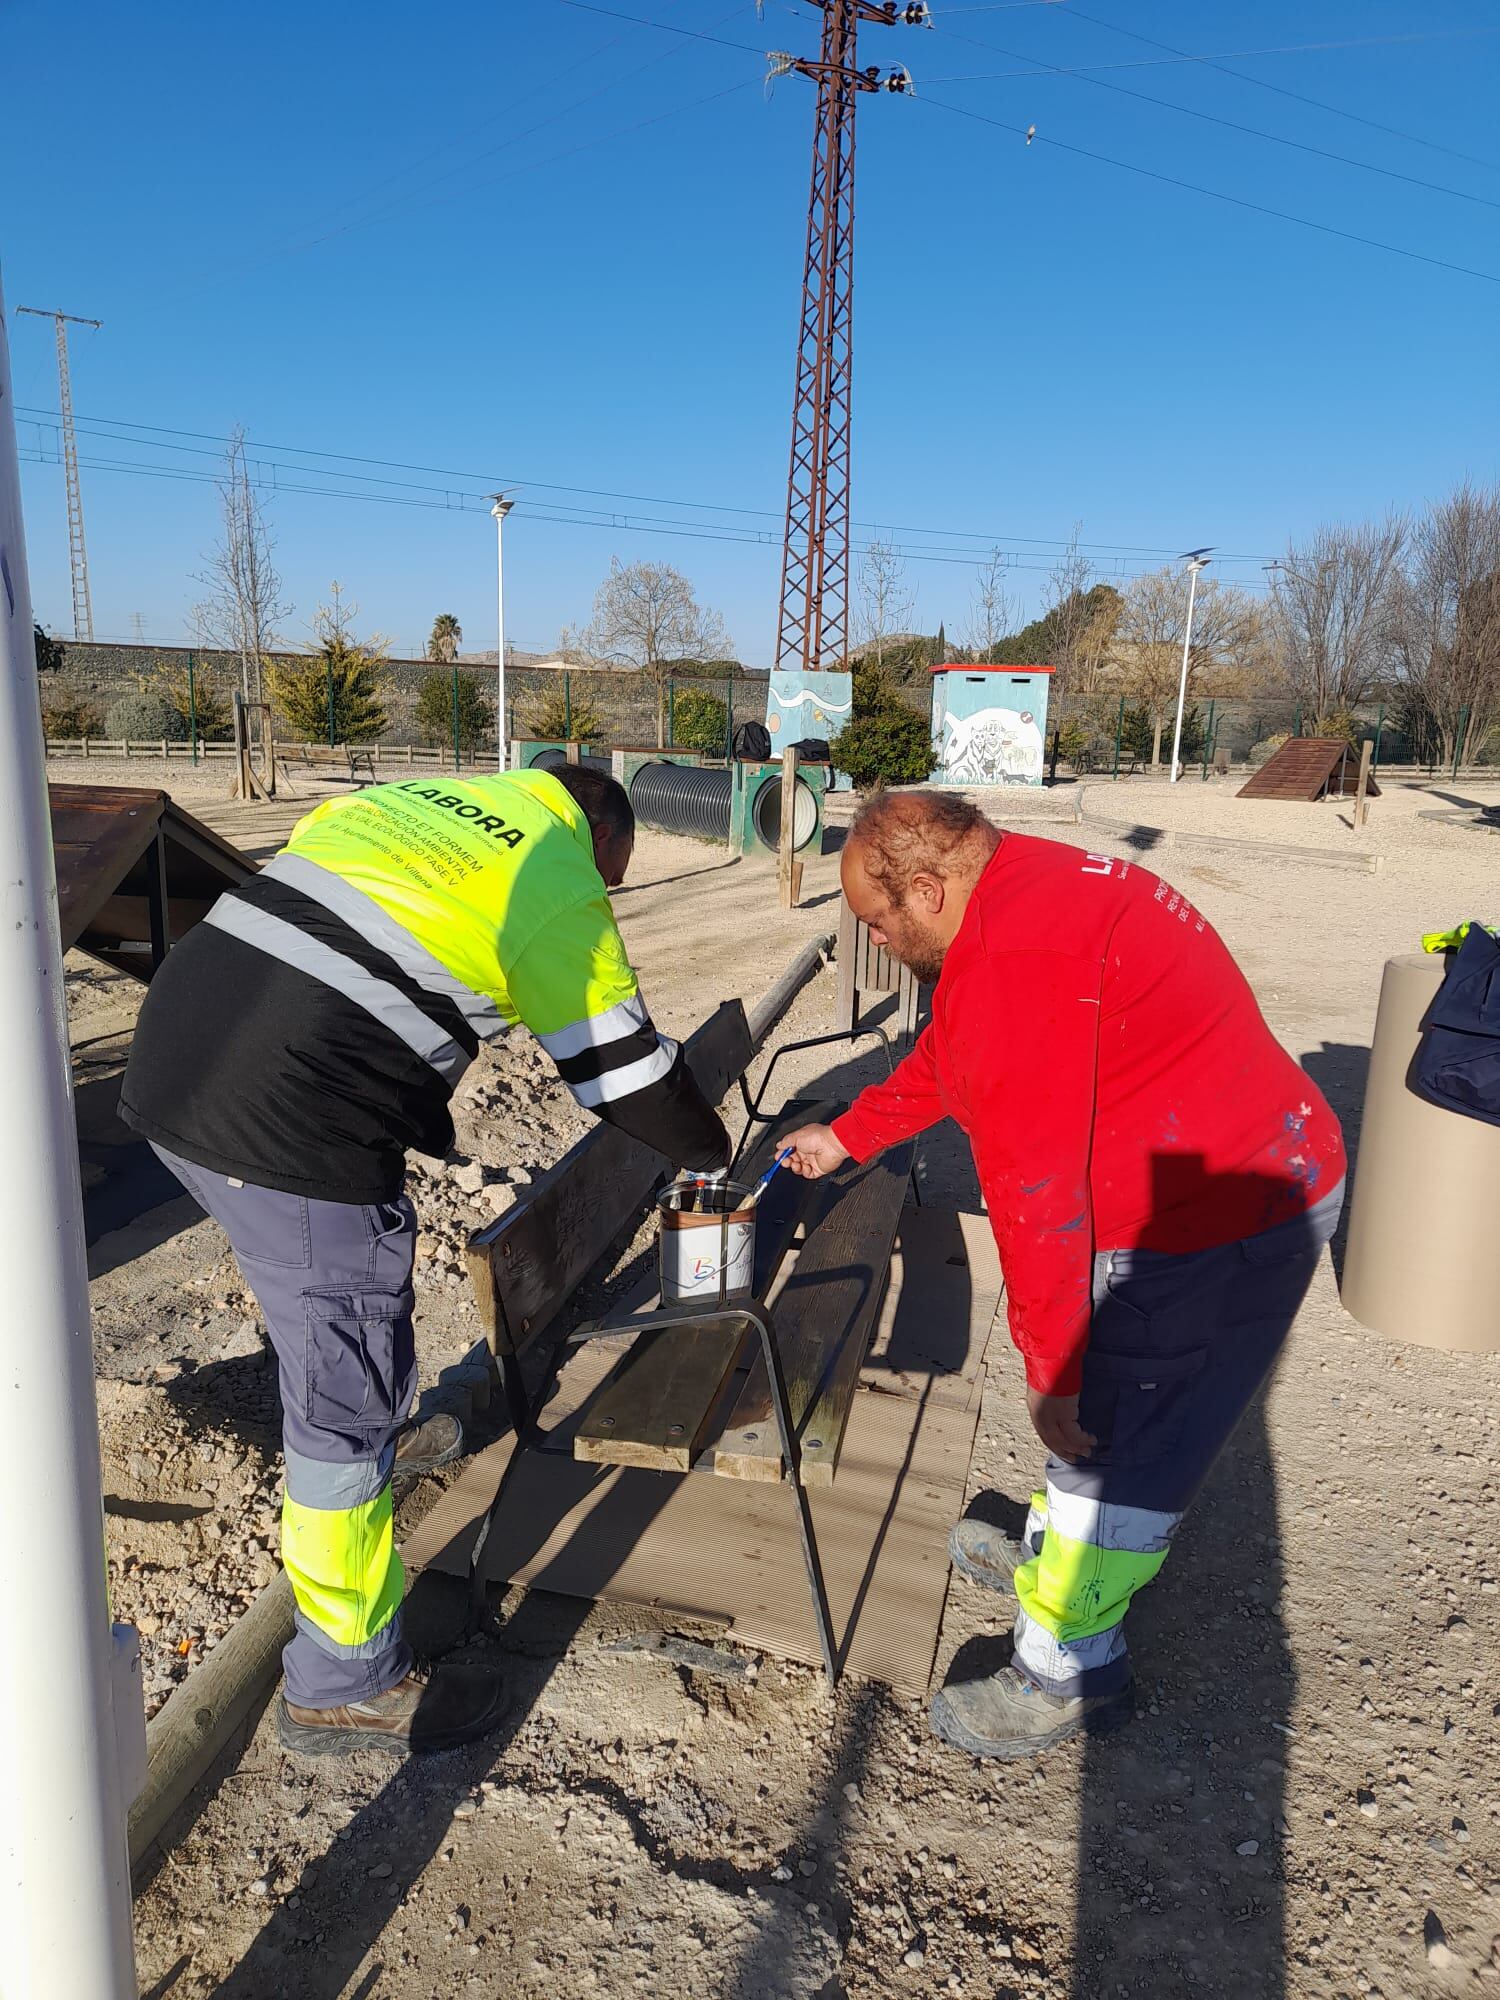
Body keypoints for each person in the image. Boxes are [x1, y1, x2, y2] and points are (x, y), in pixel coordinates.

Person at [121, 764, 728, 1758]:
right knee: (345, 1388)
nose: (605, 894)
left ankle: (353, 1459)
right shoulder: (555, 870)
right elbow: (619, 1074)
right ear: (597, 832)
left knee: (331, 1330)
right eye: (612, 876)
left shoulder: (411, 800)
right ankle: (340, 1679)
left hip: (177, 1051)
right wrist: (712, 1151)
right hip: (280, 1122)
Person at [783, 790, 1346, 1759]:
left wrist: (1052, 1373)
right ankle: (1058, 1552)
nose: (870, 938)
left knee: (1114, 1432)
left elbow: (1039, 1199)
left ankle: (1065, 1670)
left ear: (926, 888)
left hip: (1226, 1219)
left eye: (876, 920)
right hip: (1226, 1164)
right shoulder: (1013, 890)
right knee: (1106, 1411)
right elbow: (950, 1060)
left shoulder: (1012, 964)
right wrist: (847, 1133)